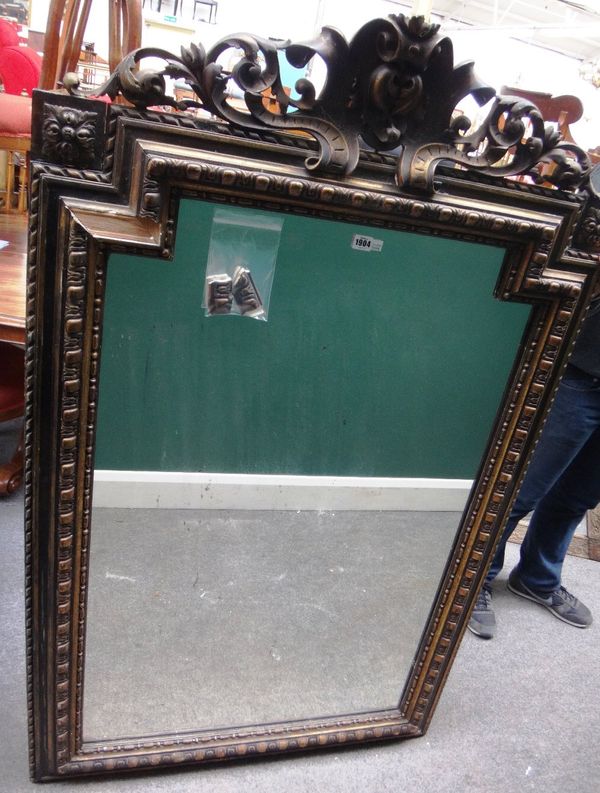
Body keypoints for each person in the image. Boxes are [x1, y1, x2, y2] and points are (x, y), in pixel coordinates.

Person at [468, 294, 600, 639]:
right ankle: (472, 580)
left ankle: (536, 579)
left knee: (578, 496)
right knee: (521, 490)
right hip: (584, 373)